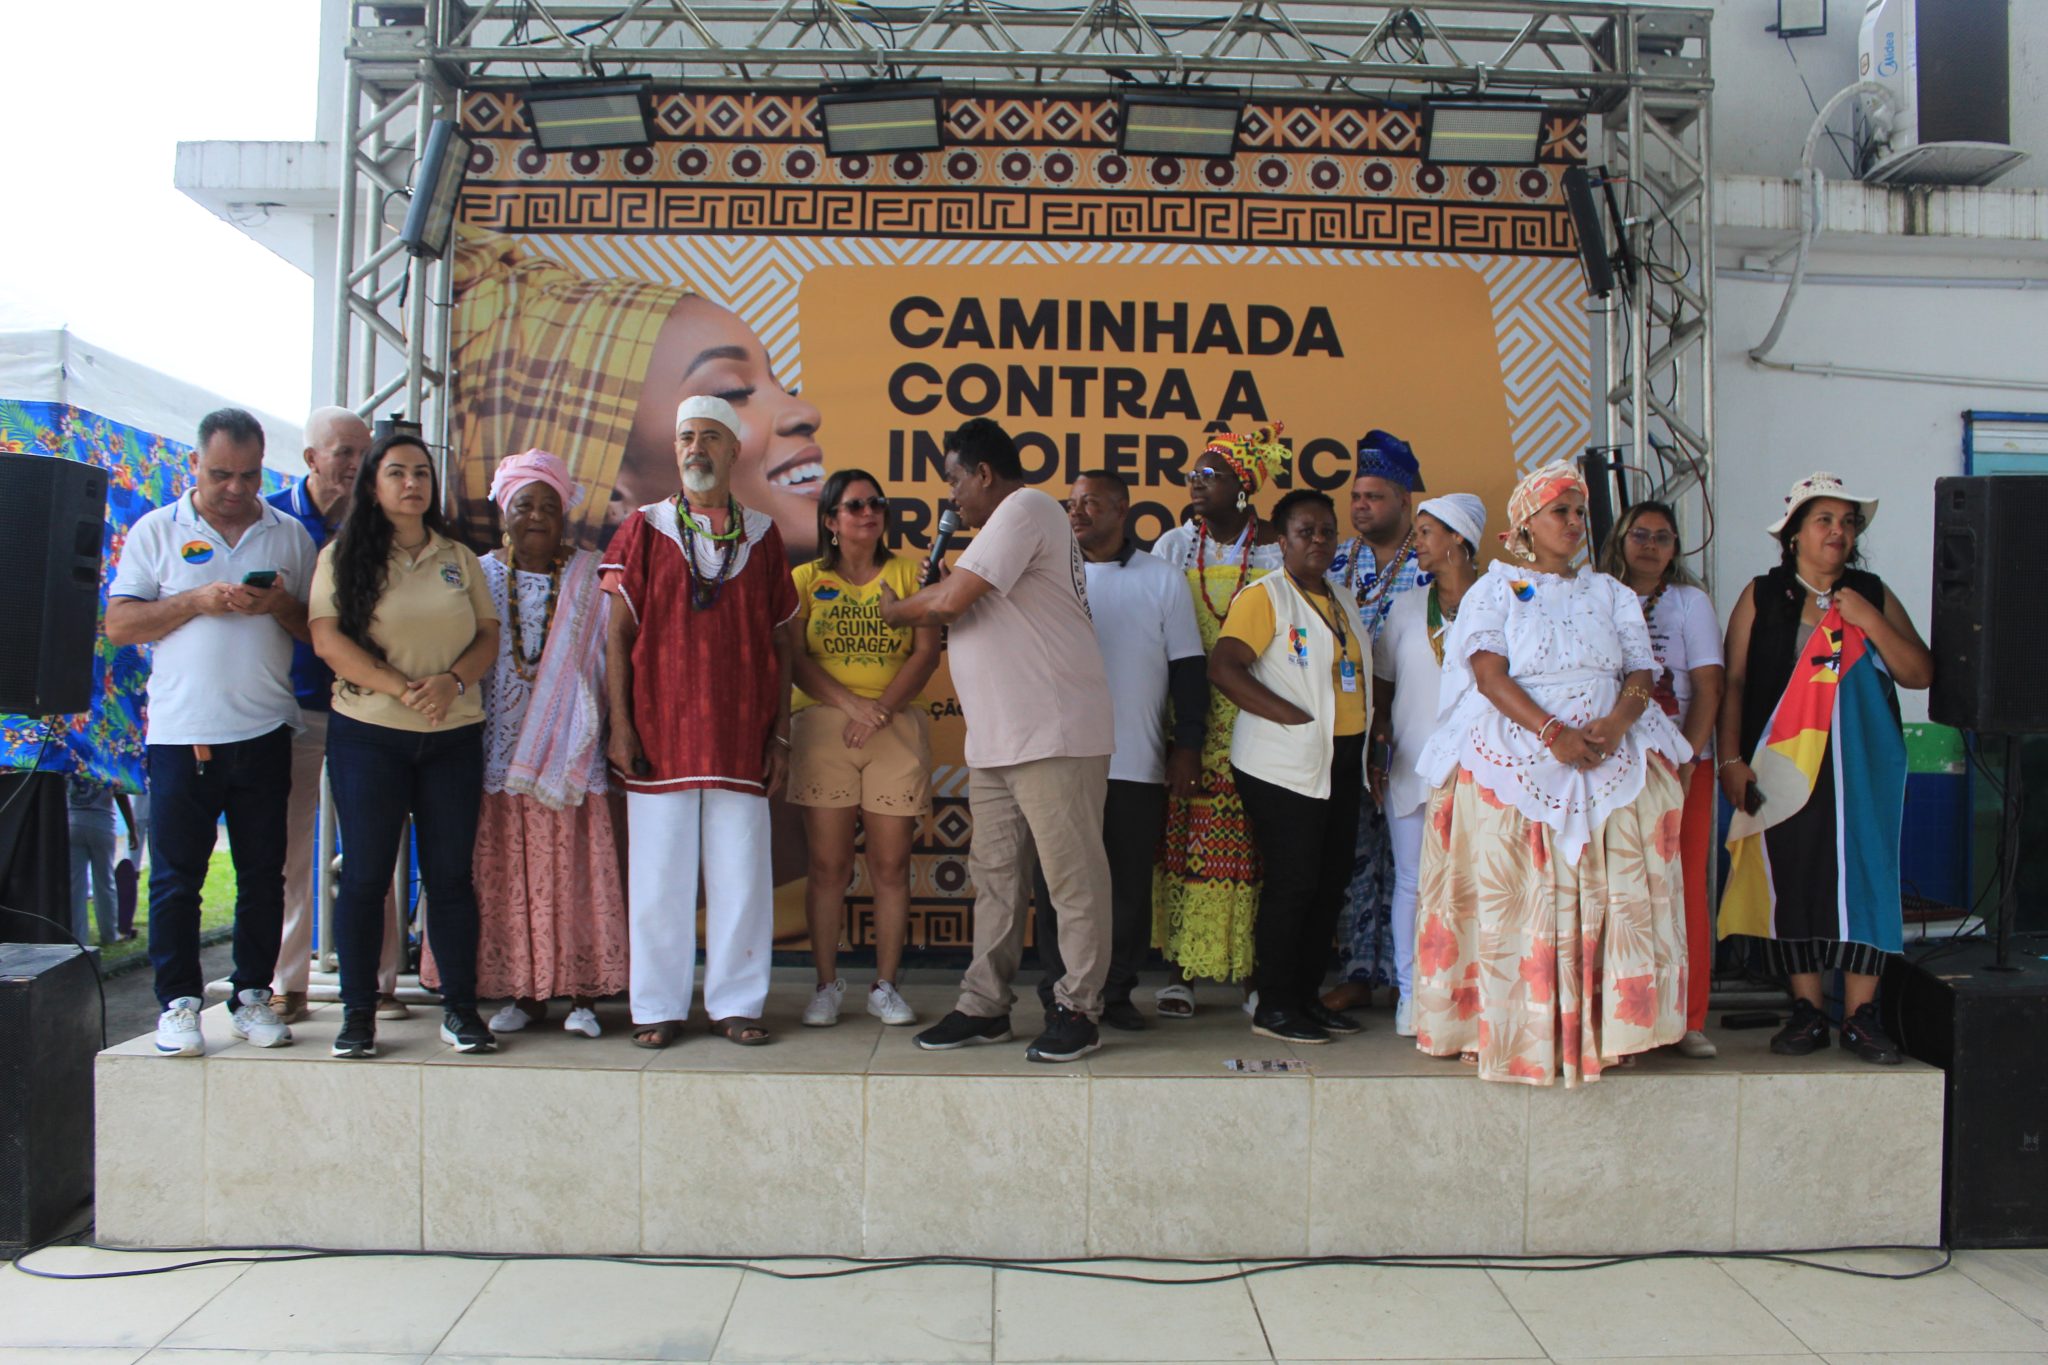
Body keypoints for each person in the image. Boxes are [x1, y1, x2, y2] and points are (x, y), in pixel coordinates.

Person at [1412, 461, 1690, 1085]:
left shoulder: (1611, 593)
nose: (1573, 523)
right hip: (1518, 741)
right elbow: (1488, 674)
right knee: (1515, 886)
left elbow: (1640, 671)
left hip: (1609, 745)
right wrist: (1551, 733)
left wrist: (1617, 722)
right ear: (1524, 525)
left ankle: (1610, 1027)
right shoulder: (1495, 589)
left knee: (1614, 883)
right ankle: (1504, 1026)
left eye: (1579, 512)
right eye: (1559, 511)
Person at [881, 418, 1116, 1064]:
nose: (951, 496)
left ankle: (1079, 1009)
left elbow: (949, 602)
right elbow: (964, 599)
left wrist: (898, 608)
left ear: (984, 473)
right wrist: (938, 588)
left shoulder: (1027, 507)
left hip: (1054, 733)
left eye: (955, 479)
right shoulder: (997, 534)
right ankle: (984, 1006)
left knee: (1072, 880)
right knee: (997, 880)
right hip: (998, 739)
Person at [106, 407, 316, 1057]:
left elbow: (316, 627)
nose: (235, 488)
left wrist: (277, 603)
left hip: (264, 727)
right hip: (181, 733)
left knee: (263, 873)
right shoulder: (156, 529)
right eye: (221, 474)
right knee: (176, 877)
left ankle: (252, 994)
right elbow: (120, 625)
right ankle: (177, 1004)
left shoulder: (287, 534)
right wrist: (195, 601)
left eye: (249, 476)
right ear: (195, 464)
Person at [602, 395, 799, 1050]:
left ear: (734, 450)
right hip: (659, 733)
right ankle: (657, 1006)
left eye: (710, 437)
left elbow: (783, 641)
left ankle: (737, 1003)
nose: (696, 448)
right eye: (686, 436)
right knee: (658, 881)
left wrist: (780, 734)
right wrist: (621, 725)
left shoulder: (763, 535)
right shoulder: (645, 527)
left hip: (742, 736)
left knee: (743, 879)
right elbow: (617, 633)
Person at [1718, 473, 1932, 1065]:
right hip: (1782, 762)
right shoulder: (1763, 595)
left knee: (1865, 875)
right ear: (1793, 534)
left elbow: (1919, 672)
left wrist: (1867, 618)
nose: (1839, 531)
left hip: (1862, 764)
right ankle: (1808, 1010)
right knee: (1793, 875)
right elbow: (1734, 681)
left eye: (1848, 522)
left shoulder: (1871, 592)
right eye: (1825, 520)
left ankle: (1861, 1016)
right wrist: (1731, 759)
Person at [452, 225, 826, 556]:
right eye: (731, 392)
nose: (806, 413)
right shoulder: (617, 585)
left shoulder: (789, 577)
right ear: (610, 490)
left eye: (783, 387)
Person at [310, 432, 502, 1059]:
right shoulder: (342, 557)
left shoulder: (458, 557)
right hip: (369, 736)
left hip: (452, 735)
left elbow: (488, 635)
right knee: (366, 876)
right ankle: (358, 1015)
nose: (412, 483)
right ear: (372, 485)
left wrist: (452, 683)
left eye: (421, 472)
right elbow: (328, 640)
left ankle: (460, 1011)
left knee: (449, 878)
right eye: (396, 472)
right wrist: (402, 688)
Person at [446, 449, 631, 1040]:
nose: (536, 517)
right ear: (505, 510)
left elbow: (616, 657)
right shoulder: (477, 575)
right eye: (525, 504)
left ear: (565, 514)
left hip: (572, 753)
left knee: (574, 873)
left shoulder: (593, 577)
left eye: (549, 507)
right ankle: (525, 995)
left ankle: (583, 996)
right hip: (501, 752)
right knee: (512, 878)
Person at [1030, 470, 1206, 1033]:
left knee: (1127, 887)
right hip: (1058, 759)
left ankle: (1116, 990)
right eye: (1071, 503)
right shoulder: (1044, 575)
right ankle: (1060, 992)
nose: (1077, 512)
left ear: (1122, 509)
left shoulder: (1162, 578)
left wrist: (1187, 746)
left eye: (1091, 503)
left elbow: (1188, 669)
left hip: (1135, 760)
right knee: (1057, 884)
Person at [1209, 489, 1375, 1044]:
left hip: (1341, 759)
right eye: (1306, 532)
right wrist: (1292, 717)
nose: (1319, 541)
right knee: (1293, 882)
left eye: (1328, 531)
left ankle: (1306, 997)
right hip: (1283, 764)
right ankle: (1274, 1006)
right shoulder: (1266, 597)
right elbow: (1224, 667)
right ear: (1282, 541)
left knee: (1329, 883)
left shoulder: (1342, 598)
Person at [265, 406, 407, 1025]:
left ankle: (378, 981)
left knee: (373, 851)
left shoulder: (385, 522)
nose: (355, 464)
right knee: (288, 853)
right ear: (311, 458)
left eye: (362, 452)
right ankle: (286, 983)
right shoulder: (270, 520)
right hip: (292, 704)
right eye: (343, 452)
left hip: (370, 707)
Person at [789, 468, 940, 1028]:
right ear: (830, 520)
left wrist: (880, 711)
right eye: (855, 505)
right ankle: (826, 986)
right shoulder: (804, 578)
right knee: (828, 866)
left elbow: (926, 652)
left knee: (891, 865)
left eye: (876, 503)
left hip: (893, 728)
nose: (869, 512)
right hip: (824, 729)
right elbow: (794, 657)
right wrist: (854, 706)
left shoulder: (910, 572)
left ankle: (886, 986)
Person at [1146, 426, 1288, 1018]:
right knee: (1185, 835)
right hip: (1191, 712)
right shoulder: (1175, 546)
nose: (1195, 484)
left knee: (1255, 843)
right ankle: (1180, 974)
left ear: (1243, 485)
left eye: (1210, 475)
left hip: (1258, 710)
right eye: (1192, 475)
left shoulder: (1277, 548)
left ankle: (1252, 976)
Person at [1598, 500, 1725, 1059]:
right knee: (1616, 891)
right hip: (1611, 764)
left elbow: (1710, 687)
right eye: (1640, 534)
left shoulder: (1689, 602)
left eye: (1663, 537)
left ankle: (1687, 1019)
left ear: (1675, 549)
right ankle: (1622, 1022)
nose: (1651, 545)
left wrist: (1690, 759)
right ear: (1620, 540)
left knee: (1683, 887)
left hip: (1679, 765)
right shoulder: (1596, 595)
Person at [1366, 492, 1486, 1037]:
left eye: (1426, 532)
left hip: (1483, 766)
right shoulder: (1409, 608)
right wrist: (1379, 747)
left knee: (1480, 882)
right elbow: (1384, 689)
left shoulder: (1501, 600)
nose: (1416, 542)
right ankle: (1414, 996)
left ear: (1459, 537)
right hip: (1414, 760)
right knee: (1413, 882)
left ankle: (1475, 996)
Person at [1324, 430, 1428, 1016]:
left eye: (1374, 497)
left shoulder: (1433, 559)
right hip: (1348, 728)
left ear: (1404, 500)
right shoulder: (1337, 558)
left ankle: (1414, 976)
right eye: (1356, 496)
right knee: (1356, 853)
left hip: (1415, 726)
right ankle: (1360, 972)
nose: (1361, 506)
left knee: (1416, 861)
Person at [66, 771, 136, 947]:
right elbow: (121, 795)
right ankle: (109, 934)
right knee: (105, 882)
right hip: (102, 824)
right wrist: (132, 829)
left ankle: (78, 937)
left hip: (73, 823)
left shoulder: (70, 762)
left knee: (76, 886)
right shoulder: (107, 763)